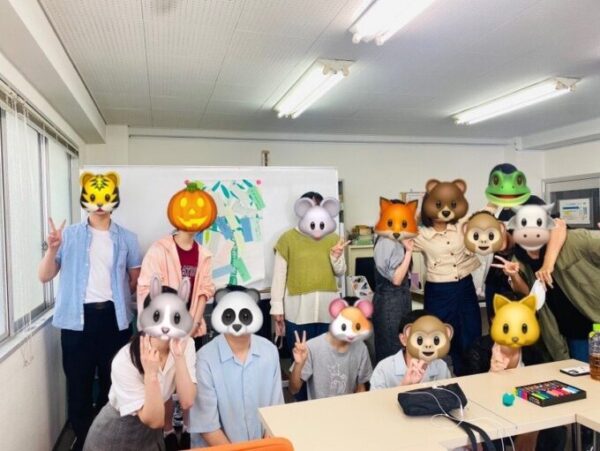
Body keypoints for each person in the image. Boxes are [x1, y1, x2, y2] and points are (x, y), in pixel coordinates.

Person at [38, 172, 141, 451]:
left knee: (114, 384)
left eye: (105, 198)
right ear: (84, 198)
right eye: (93, 198)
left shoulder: (128, 239)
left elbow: (134, 280)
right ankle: (84, 442)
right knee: (78, 385)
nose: (99, 204)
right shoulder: (68, 236)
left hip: (114, 320)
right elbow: (44, 276)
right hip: (76, 320)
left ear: (114, 199)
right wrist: (52, 250)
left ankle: (108, 441)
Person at [137, 182, 216, 450]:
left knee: (187, 380)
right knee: (163, 382)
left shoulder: (204, 254)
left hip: (189, 328)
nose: (193, 215)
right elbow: (146, 289)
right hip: (161, 328)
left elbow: (204, 291)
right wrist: (157, 328)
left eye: (200, 210)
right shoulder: (159, 249)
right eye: (187, 209)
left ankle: (190, 429)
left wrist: (190, 326)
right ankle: (167, 429)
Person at [84, 285, 197, 451]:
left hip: (151, 435)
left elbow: (187, 402)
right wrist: (151, 373)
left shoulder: (186, 345)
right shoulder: (125, 360)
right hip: (116, 433)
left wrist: (179, 358)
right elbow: (155, 420)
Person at [189, 286, 284, 447]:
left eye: (245, 315)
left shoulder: (270, 352)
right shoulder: (204, 359)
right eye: (229, 315)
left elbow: (275, 413)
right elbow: (208, 428)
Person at [493, 221, 599, 362]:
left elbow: (560, 225)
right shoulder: (519, 259)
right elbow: (529, 297)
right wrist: (514, 275)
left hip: (594, 317)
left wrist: (548, 264)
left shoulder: (573, 241)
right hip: (571, 330)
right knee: (584, 372)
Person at [270, 191, 348, 354]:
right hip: (298, 312)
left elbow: (340, 272)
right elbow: (279, 276)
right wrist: (277, 307)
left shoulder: (333, 238)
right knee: (300, 358)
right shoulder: (288, 238)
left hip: (327, 311)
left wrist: (336, 257)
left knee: (326, 357)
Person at [372, 198, 418, 364]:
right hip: (390, 303)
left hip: (399, 299)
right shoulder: (387, 241)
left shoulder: (397, 239)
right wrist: (409, 252)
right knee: (392, 349)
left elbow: (406, 274)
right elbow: (397, 279)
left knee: (400, 345)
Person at [370, 310, 451, 389]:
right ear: (403, 339)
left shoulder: (441, 366)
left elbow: (450, 396)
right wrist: (404, 386)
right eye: (420, 339)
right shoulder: (383, 369)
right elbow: (374, 398)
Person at [289, 324, 373, 400]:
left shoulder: (361, 348)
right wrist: (298, 365)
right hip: (319, 410)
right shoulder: (312, 346)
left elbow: (361, 388)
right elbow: (293, 389)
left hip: (347, 409)